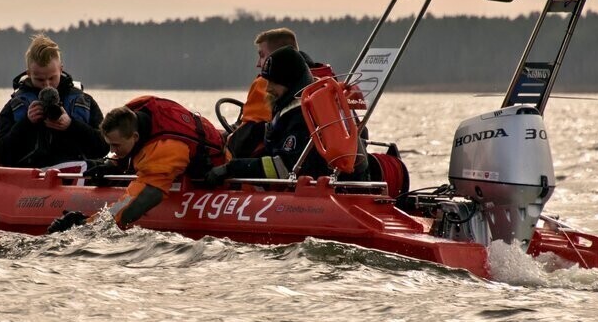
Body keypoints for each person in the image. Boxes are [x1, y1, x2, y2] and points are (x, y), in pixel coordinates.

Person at [48, 96, 228, 231]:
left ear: (134, 137)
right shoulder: (139, 112)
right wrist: (115, 164)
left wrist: (86, 225)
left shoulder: (163, 150)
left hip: (213, 176)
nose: (111, 150)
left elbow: (132, 203)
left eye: (115, 146)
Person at [207, 46, 368, 185]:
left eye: (273, 83)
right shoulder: (309, 106)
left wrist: (231, 168)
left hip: (317, 195)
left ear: (290, 83)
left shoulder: (301, 116)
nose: (268, 88)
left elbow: (282, 168)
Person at [0, 33, 108, 168]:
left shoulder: (85, 102)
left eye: (52, 78)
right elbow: (1, 154)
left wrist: (72, 126)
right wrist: (26, 123)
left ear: (61, 70)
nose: (47, 85)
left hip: (78, 174)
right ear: (29, 74)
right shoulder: (14, 106)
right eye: (40, 79)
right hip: (32, 177)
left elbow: (104, 146)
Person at [226, 28, 336, 158]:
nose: (258, 64)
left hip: (270, 159)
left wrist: (231, 164)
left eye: (262, 55)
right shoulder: (325, 84)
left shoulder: (271, 87)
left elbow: (247, 135)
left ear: (279, 56)